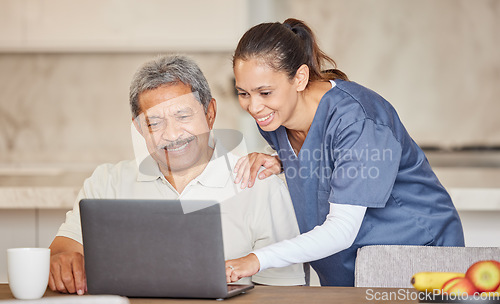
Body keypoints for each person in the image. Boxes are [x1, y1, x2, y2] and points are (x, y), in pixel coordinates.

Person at [225, 18, 465, 287]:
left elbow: (341, 230)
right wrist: (281, 161)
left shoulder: (357, 120)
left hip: (415, 258)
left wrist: (256, 260)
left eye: (265, 92)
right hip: (347, 271)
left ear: (300, 78)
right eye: (243, 93)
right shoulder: (275, 121)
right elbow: (326, 157)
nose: (254, 107)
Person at [48, 55, 305, 295]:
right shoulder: (107, 183)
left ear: (210, 113)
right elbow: (64, 248)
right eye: (154, 122)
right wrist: (62, 260)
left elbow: (282, 292)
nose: (171, 135)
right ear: (139, 128)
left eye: (183, 115)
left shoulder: (260, 185)